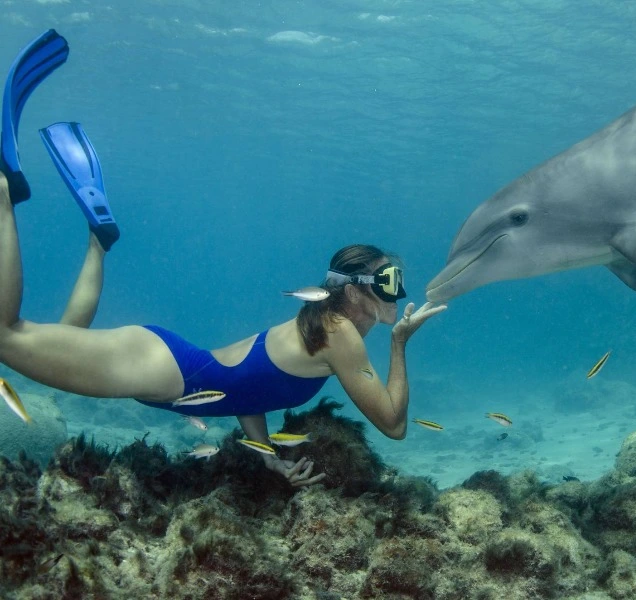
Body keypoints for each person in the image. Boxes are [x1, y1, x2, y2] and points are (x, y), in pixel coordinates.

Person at [0, 146, 446, 488]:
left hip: (165, 364)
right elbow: (394, 425)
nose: (398, 290)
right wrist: (399, 344)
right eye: (387, 281)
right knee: (7, 335)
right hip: (163, 369)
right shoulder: (339, 332)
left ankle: (99, 240)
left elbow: (250, 389)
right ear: (352, 291)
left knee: (60, 337)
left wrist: (267, 453)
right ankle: (5, 193)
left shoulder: (319, 324)